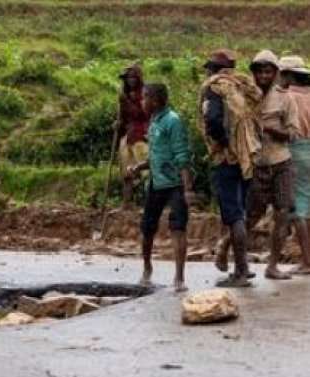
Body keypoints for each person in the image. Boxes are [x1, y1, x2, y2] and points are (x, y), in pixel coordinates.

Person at [217, 50, 298, 280]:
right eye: (260, 71)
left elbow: (293, 133)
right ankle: (225, 246)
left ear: (275, 73)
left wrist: (271, 129)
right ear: (254, 73)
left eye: (268, 71)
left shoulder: (285, 98)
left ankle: (272, 266)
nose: (263, 76)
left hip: (281, 161)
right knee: (250, 217)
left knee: (282, 214)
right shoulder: (244, 96)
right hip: (255, 165)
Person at [199, 49, 262, 288]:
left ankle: (241, 271)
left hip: (227, 159)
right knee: (241, 211)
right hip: (246, 157)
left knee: (233, 215)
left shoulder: (214, 88)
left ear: (212, 69)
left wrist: (223, 146)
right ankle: (243, 266)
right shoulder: (241, 86)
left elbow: (213, 120)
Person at [127, 84, 194, 292]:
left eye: (144, 97)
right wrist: (139, 167)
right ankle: (147, 269)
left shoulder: (173, 121)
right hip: (156, 183)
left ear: (155, 100)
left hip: (175, 184)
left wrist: (188, 189)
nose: (142, 101)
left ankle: (179, 277)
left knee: (178, 228)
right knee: (147, 228)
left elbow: (182, 156)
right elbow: (156, 154)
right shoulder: (154, 121)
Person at [278, 55, 310, 275]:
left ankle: (307, 261)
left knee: (297, 208)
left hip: (297, 149)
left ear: (288, 75)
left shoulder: (287, 97)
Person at [117, 64, 150, 208]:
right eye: (127, 78)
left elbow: (143, 114)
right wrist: (118, 124)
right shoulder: (124, 96)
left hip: (142, 135)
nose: (130, 81)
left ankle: (151, 202)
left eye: (132, 77)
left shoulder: (144, 94)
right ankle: (127, 202)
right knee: (126, 172)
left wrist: (127, 103)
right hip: (128, 136)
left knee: (147, 172)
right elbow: (124, 119)